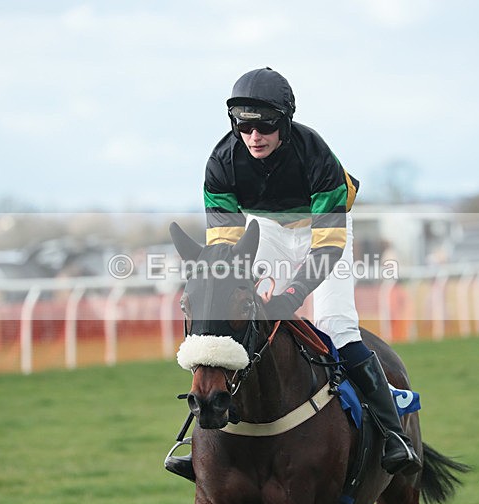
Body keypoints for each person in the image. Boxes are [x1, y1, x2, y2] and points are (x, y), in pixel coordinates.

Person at [165, 67, 421, 481]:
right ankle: (205, 434)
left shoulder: (315, 154)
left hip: (324, 231)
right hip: (264, 228)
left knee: (338, 327)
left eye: (265, 126)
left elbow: (327, 246)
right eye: (244, 126)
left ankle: (394, 435)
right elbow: (225, 252)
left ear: (284, 121)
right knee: (239, 318)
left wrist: (292, 294)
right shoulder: (221, 162)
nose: (254, 136)